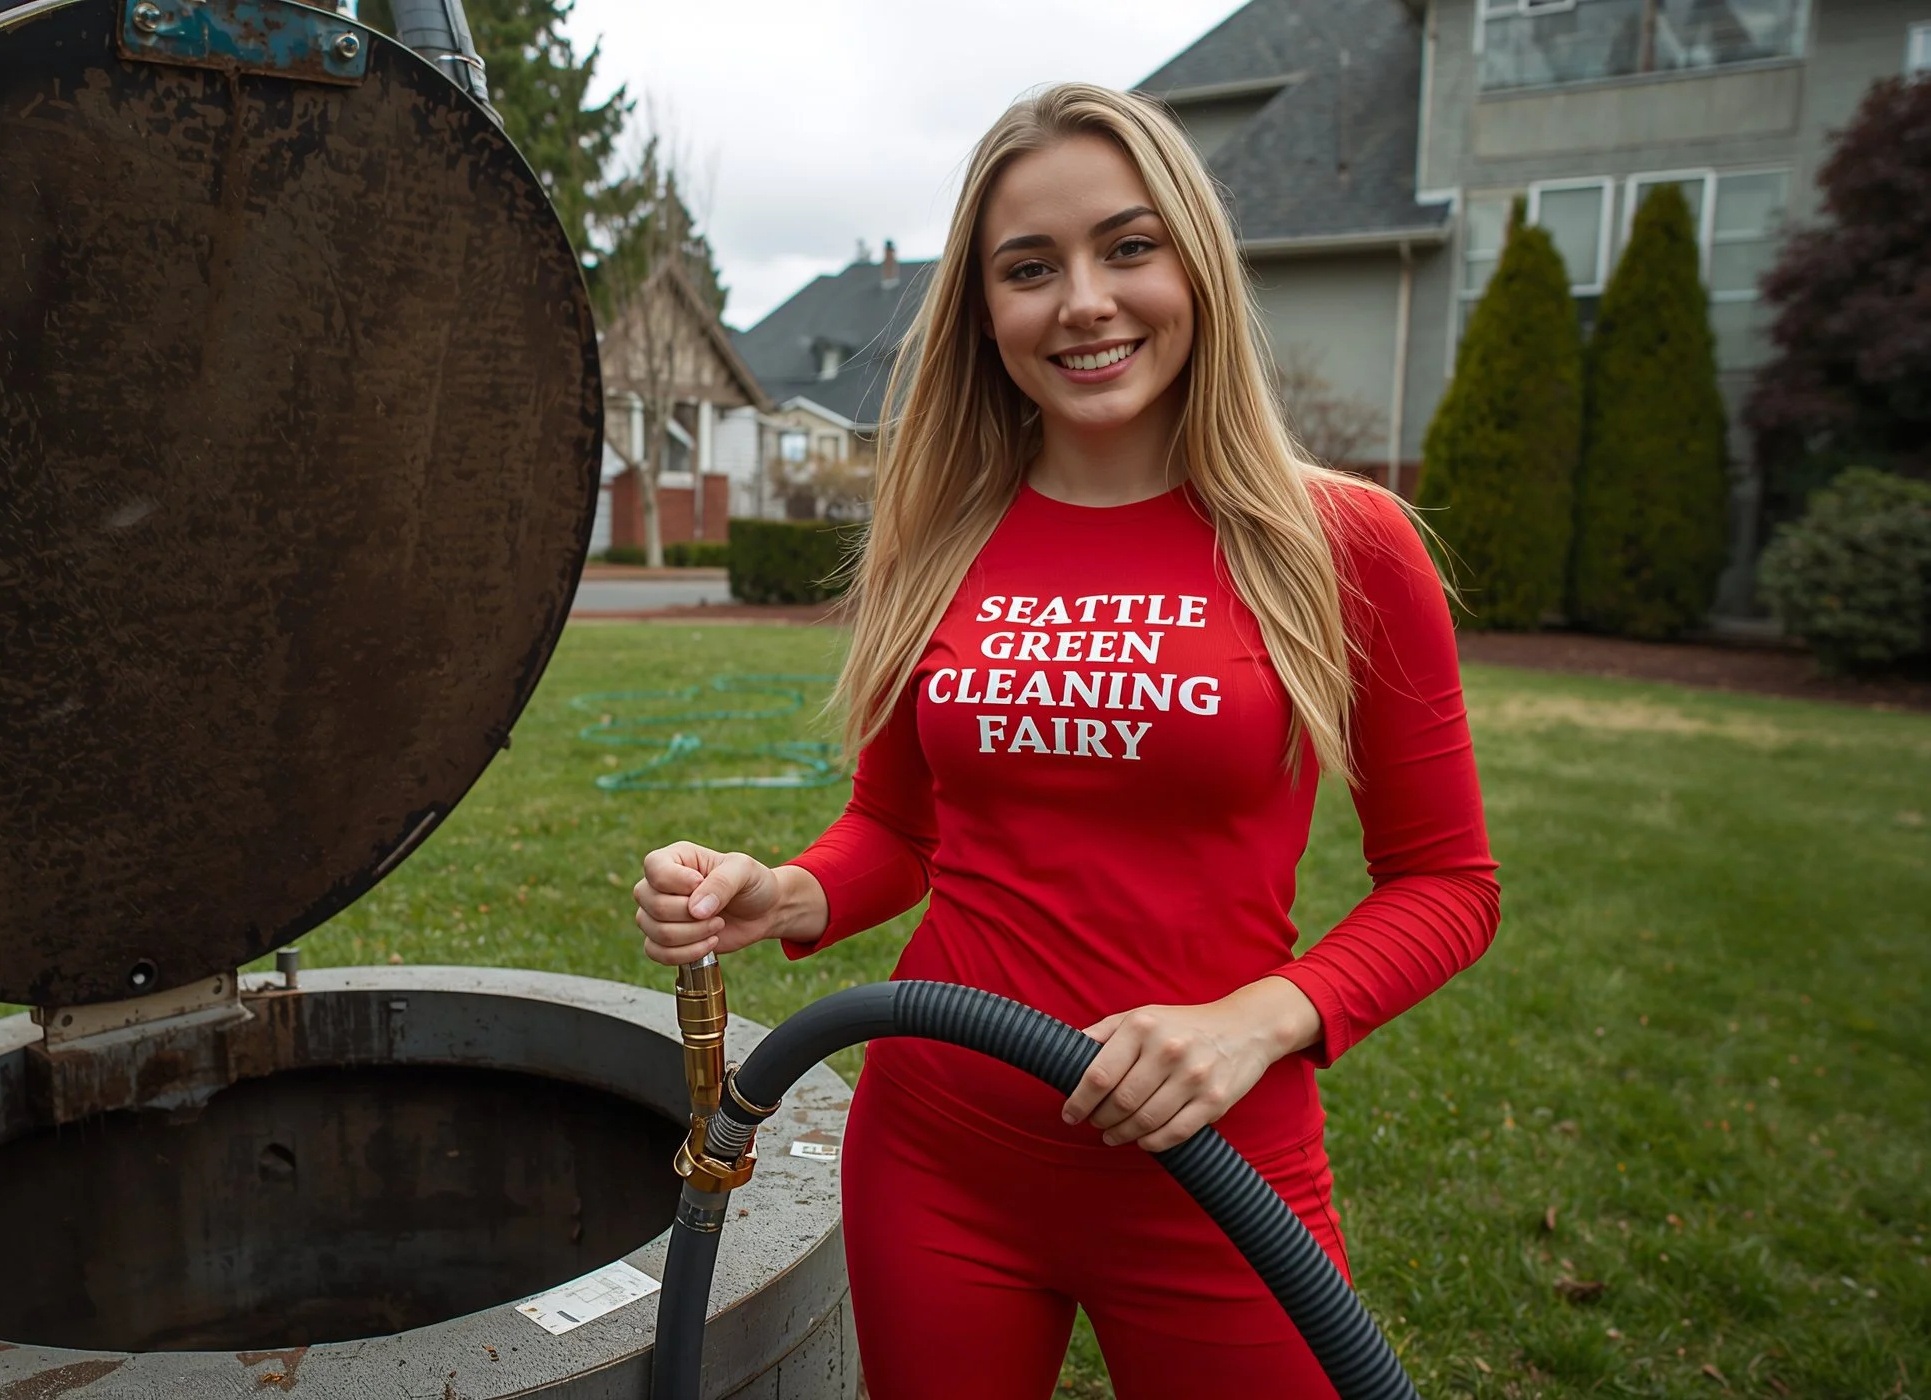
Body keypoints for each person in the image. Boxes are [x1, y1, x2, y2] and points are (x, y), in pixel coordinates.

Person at [630, 84, 1498, 1399]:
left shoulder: (1344, 546)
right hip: (940, 1158)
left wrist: (1254, 1024)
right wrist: (787, 891)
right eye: (1029, 269)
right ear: (986, 312)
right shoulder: (944, 539)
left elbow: (1449, 885)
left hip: (1216, 1165)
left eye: (1128, 247)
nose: (1083, 301)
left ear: (1194, 265)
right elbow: (899, 834)